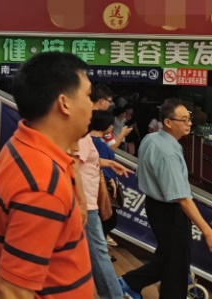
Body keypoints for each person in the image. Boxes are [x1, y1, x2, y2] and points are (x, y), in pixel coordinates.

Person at [0, 52, 95, 298]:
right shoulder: (43, 184)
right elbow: (14, 292)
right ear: (65, 103)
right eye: (88, 95)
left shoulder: (20, 146)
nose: (92, 105)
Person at [119, 98, 212, 299]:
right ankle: (130, 284)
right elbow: (182, 198)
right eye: (184, 120)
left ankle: (129, 284)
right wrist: (207, 230)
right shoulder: (167, 153)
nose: (189, 123)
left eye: (189, 119)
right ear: (168, 122)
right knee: (176, 264)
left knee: (168, 257)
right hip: (170, 212)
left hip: (155, 206)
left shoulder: (151, 138)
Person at [72, 110, 133, 299]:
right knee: (99, 253)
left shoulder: (85, 137)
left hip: (87, 203)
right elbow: (73, 166)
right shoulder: (82, 137)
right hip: (87, 205)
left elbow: (86, 160)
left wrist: (107, 164)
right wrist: (82, 203)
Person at [89, 110, 121, 248]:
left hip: (97, 185)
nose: (112, 127)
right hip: (102, 186)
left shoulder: (91, 140)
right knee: (108, 219)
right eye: (111, 124)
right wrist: (109, 179)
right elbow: (99, 163)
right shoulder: (99, 143)